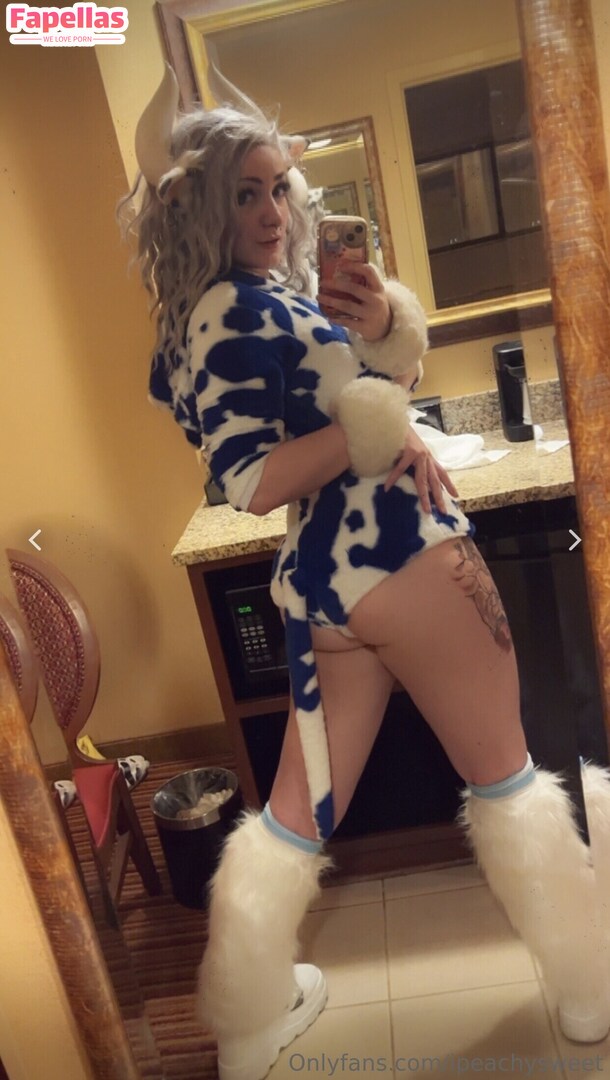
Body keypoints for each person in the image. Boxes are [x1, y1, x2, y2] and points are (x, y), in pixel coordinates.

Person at [120, 65, 610, 1080]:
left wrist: (381, 329)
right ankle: (588, 985)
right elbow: (251, 481)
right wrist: (377, 425)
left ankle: (248, 1018)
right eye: (244, 194)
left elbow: (360, 396)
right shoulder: (237, 313)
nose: (271, 211)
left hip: (331, 588)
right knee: (508, 777)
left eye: (277, 188)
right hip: (403, 555)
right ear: (198, 207)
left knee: (296, 814)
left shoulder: (233, 307)